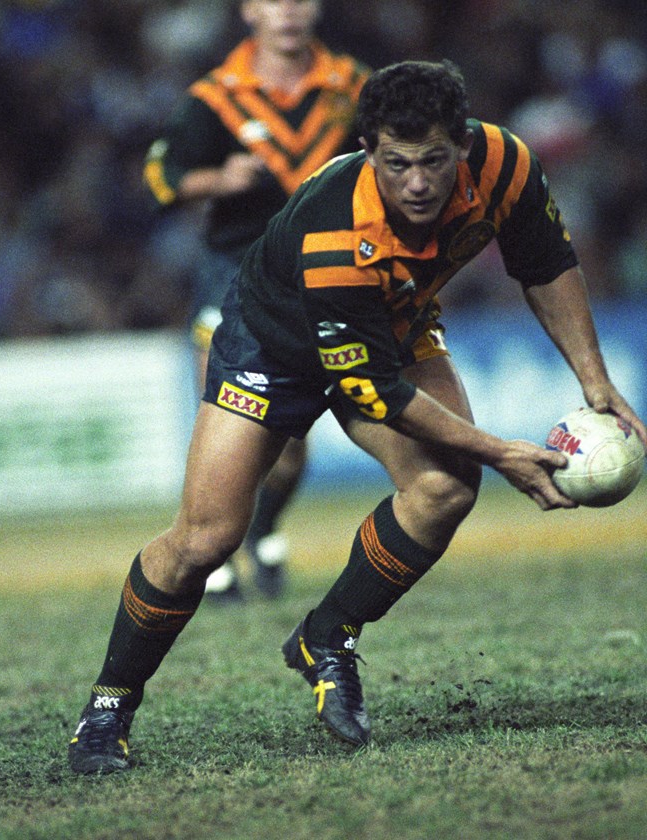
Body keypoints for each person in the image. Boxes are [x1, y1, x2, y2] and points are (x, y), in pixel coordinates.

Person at [68, 59, 647, 773]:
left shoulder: (506, 164)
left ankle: (327, 637)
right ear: (368, 150)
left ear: (464, 144)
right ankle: (108, 706)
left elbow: (547, 263)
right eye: (397, 163)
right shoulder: (337, 230)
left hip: (393, 324)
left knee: (444, 488)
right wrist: (503, 452)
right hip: (272, 343)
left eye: (434, 160)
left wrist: (596, 382)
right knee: (206, 538)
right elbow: (376, 394)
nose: (417, 182)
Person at [143, 0, 369, 602]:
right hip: (234, 269)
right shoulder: (216, 97)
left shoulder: (353, 87)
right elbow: (162, 176)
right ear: (249, 12)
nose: (287, 12)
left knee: (289, 446)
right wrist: (219, 179)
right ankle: (208, 554)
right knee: (220, 414)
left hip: (320, 271)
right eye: (273, 0)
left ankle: (263, 525)